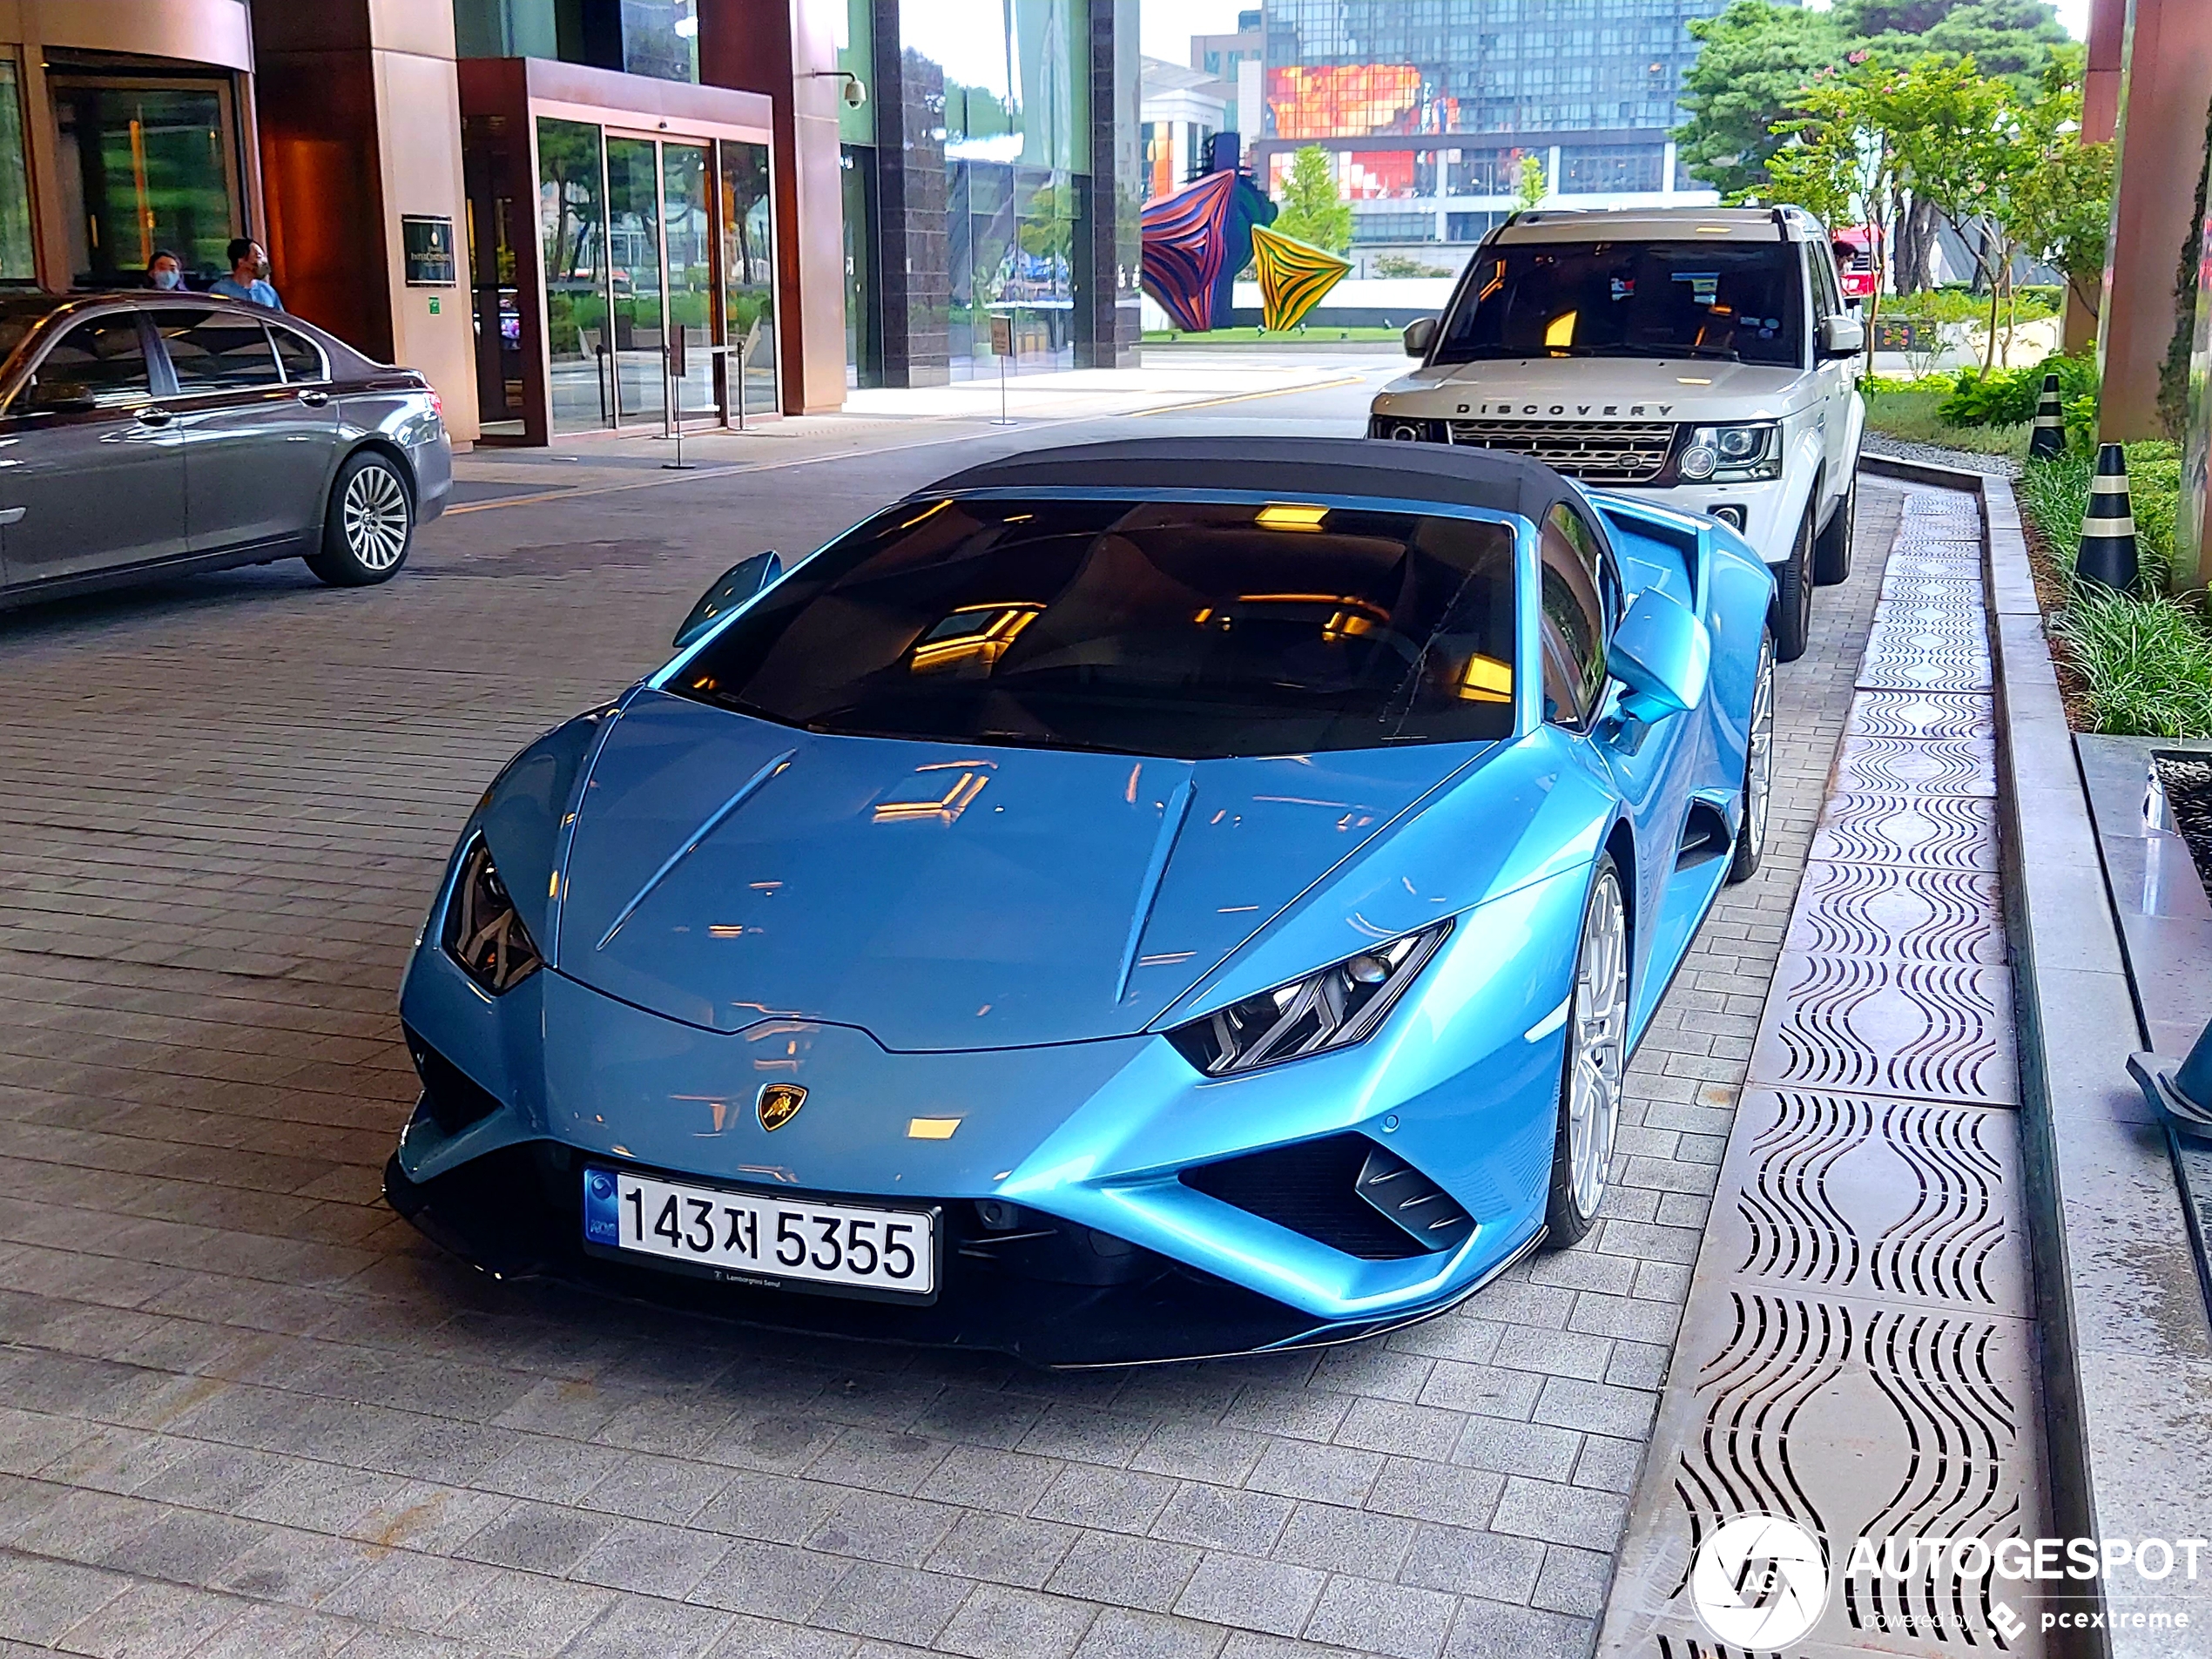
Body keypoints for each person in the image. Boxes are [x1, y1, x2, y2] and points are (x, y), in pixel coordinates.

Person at [210, 238, 283, 310]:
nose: (264, 262)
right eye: (259, 257)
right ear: (241, 261)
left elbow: (281, 318)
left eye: (264, 257)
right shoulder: (220, 291)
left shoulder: (268, 290)